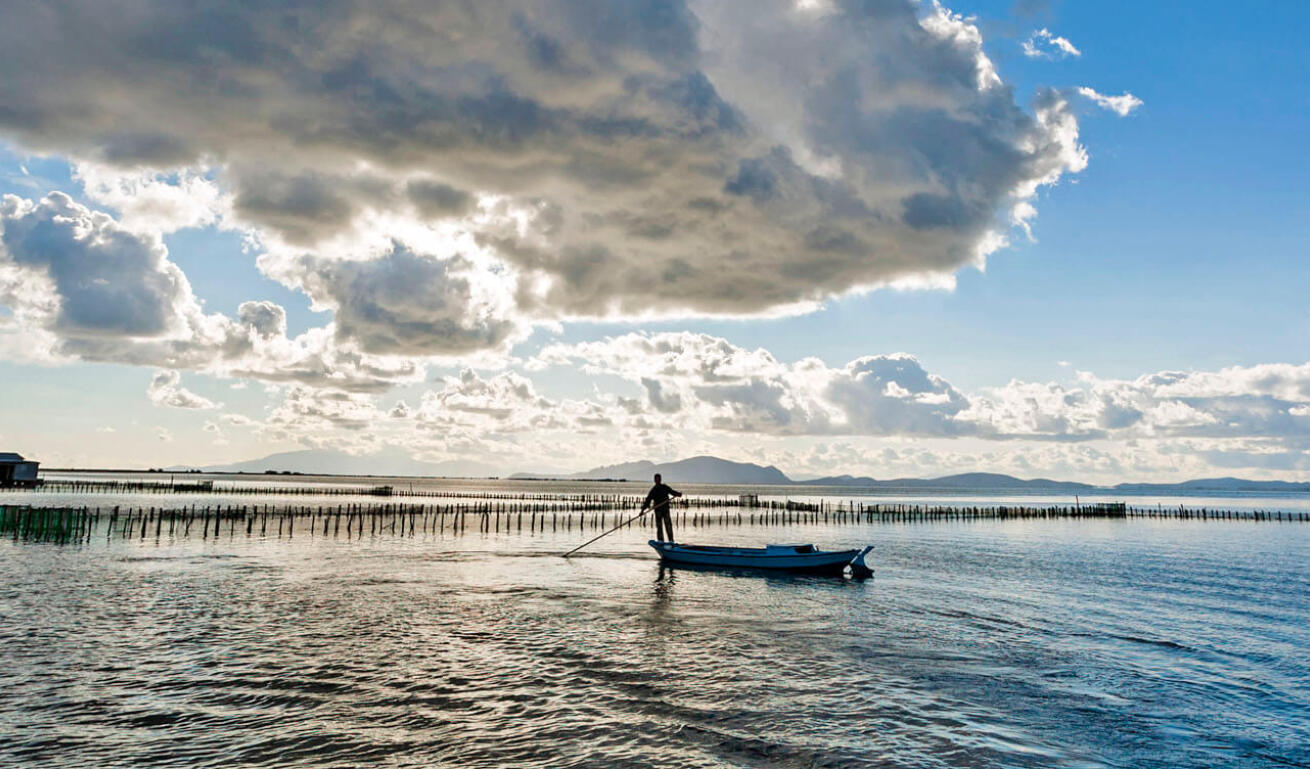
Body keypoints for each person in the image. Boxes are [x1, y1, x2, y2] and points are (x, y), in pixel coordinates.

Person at [641, 473, 682, 542]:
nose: (658, 480)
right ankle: (660, 540)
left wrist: (678, 494)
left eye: (659, 479)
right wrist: (642, 510)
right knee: (659, 526)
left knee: (668, 525)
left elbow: (672, 492)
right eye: (656, 479)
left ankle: (671, 540)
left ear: (660, 479)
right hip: (658, 510)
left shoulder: (664, 487)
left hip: (665, 509)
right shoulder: (654, 490)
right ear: (654, 480)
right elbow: (648, 500)